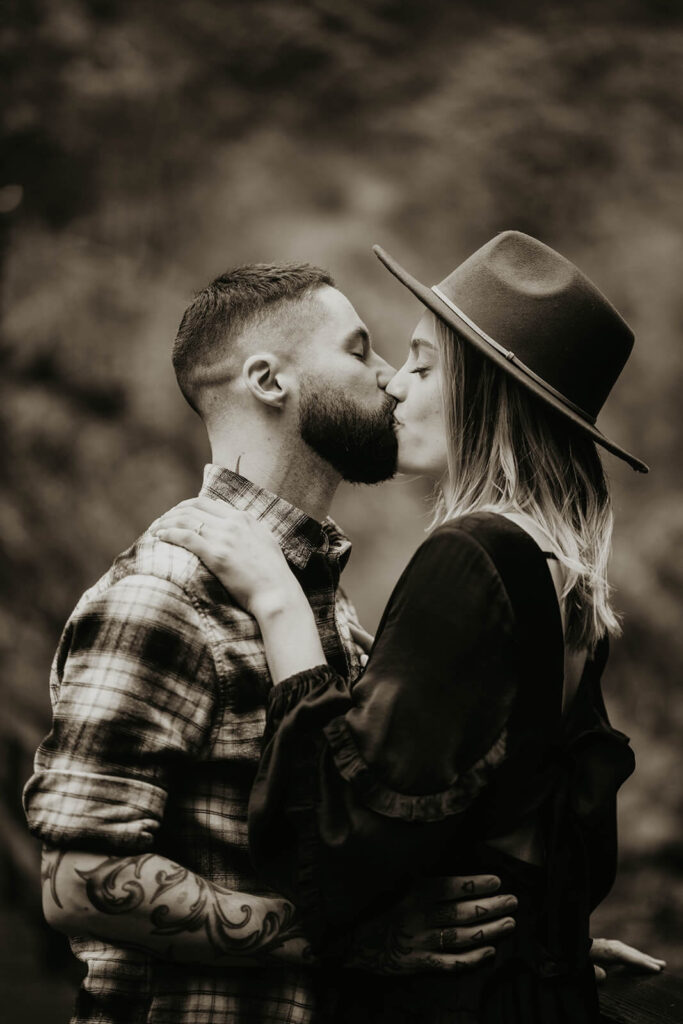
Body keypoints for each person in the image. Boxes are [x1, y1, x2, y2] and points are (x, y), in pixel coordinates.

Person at [153, 233, 666, 1022]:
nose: (394, 388)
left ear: (483, 393)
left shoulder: (471, 554)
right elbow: (515, 837)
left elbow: (334, 851)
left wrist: (280, 603)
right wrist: (545, 943)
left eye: (422, 366)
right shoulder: (555, 574)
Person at [23, 262, 520, 1024]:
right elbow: (79, 882)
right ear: (267, 380)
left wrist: (537, 951)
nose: (390, 382)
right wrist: (345, 939)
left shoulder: (328, 615)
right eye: (360, 352)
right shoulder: (163, 596)